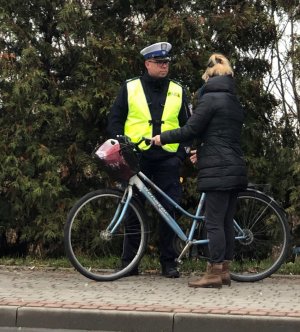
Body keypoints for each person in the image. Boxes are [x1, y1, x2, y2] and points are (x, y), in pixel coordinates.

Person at [151, 53, 248, 288]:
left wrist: (162, 138)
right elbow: (221, 136)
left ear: (209, 76)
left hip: (218, 168)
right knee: (225, 220)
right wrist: (202, 151)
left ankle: (214, 273)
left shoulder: (210, 98)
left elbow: (190, 130)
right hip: (235, 165)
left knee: (213, 221)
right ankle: (224, 270)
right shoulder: (233, 100)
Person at [107, 42, 191, 278]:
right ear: (147, 64)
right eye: (159, 62)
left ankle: (169, 262)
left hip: (168, 159)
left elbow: (188, 125)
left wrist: (181, 154)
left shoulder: (178, 89)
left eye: (166, 63)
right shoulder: (130, 87)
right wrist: (121, 146)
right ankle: (130, 264)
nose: (164, 66)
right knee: (132, 211)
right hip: (137, 158)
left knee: (169, 211)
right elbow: (114, 120)